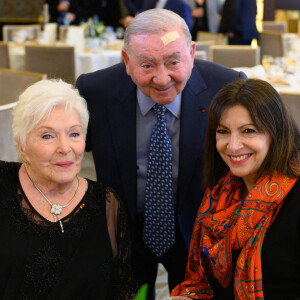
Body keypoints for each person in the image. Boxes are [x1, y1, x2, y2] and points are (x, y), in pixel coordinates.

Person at [76, 8, 246, 299]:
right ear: (127, 61)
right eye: (147, 65)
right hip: (124, 229)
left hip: (199, 231)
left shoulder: (227, 87)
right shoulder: (95, 91)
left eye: (173, 62)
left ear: (191, 53)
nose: (162, 78)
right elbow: (67, 154)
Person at [0, 79, 135, 299]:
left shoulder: (106, 203)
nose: (65, 148)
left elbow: (121, 289)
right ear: (22, 146)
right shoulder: (3, 185)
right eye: (47, 136)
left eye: (74, 134)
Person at [171, 78, 300, 299]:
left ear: (276, 133)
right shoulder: (221, 193)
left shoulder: (295, 197)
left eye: (248, 131)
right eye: (223, 131)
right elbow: (206, 284)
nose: (232, 145)